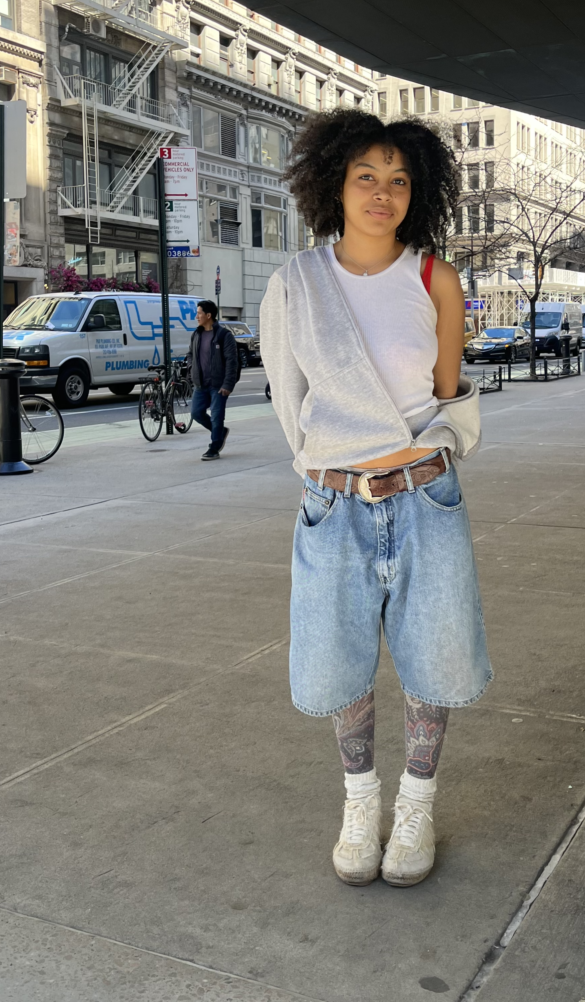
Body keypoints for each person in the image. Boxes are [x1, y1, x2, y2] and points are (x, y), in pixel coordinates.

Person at [259, 109, 492, 888]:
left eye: (399, 180)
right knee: (337, 663)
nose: (383, 193)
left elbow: (447, 397)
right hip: (333, 507)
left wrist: (418, 458)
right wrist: (333, 470)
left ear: (417, 192)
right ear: (334, 182)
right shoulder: (295, 284)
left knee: (436, 655)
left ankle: (416, 804)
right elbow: (290, 405)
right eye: (367, 176)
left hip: (426, 498)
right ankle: (361, 804)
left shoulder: (436, 279)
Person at [186, 300, 238, 459]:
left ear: (209, 315)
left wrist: (228, 384)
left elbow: (232, 361)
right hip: (200, 384)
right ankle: (220, 432)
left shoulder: (224, 335)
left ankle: (214, 448)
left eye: (199, 313)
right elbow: (190, 355)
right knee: (196, 413)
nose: (197, 316)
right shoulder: (196, 334)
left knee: (216, 416)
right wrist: (191, 370)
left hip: (218, 385)